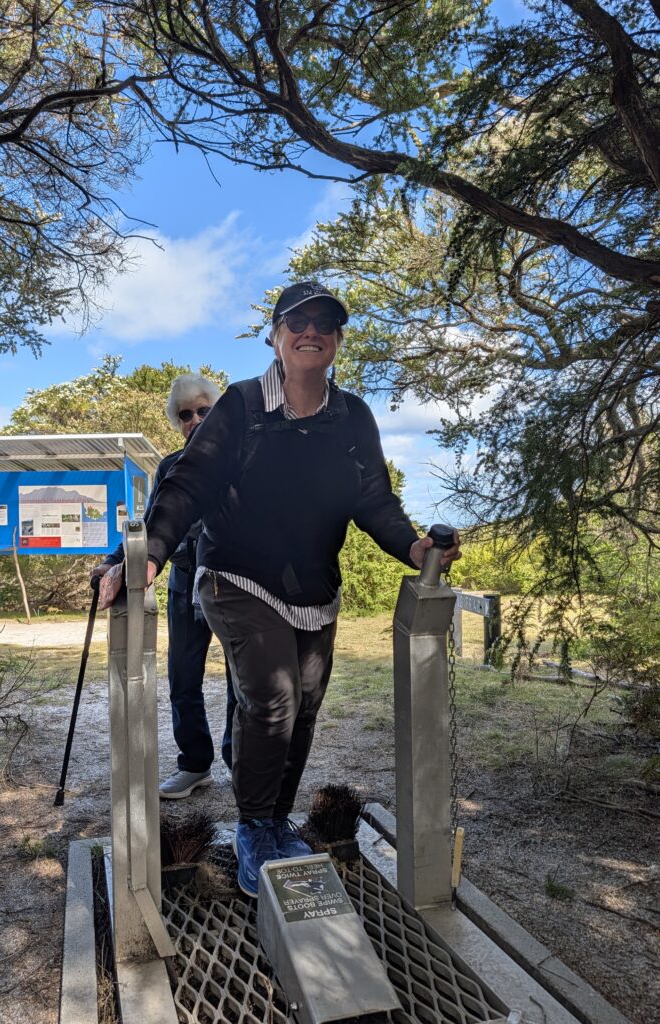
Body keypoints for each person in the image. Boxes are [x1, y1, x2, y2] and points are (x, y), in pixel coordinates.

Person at [143, 283, 461, 896]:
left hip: (316, 587)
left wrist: (415, 547)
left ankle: (274, 817)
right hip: (235, 573)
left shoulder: (353, 417)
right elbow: (189, 484)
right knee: (274, 699)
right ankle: (254, 827)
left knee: (304, 710)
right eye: (297, 321)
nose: (310, 330)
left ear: (338, 340)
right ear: (276, 335)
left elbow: (374, 500)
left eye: (325, 322)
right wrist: (153, 552)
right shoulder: (239, 406)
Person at [91, 373, 236, 798]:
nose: (195, 420)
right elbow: (152, 522)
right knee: (182, 678)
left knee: (239, 679)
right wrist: (112, 563)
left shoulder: (240, 461)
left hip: (230, 583)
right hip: (183, 581)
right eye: (185, 414)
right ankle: (195, 765)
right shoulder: (170, 466)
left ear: (217, 412)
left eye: (204, 411)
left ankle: (239, 763)